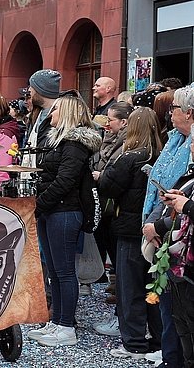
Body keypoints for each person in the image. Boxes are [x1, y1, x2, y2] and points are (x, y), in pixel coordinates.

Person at [28, 94, 101, 347]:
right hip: (52, 210)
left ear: (67, 112)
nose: (51, 114)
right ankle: (57, 321)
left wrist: (38, 205)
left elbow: (65, 181)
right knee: (56, 273)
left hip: (64, 211)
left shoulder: (73, 144)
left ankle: (66, 326)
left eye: (56, 109)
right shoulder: (60, 142)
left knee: (64, 272)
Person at [97, 107, 163, 360]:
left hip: (129, 229)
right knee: (154, 287)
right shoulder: (162, 154)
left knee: (130, 288)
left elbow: (107, 185)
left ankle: (134, 342)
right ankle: (157, 339)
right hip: (154, 229)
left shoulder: (131, 157)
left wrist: (104, 173)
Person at [143, 84, 194, 368]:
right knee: (170, 307)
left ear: (189, 113)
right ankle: (169, 356)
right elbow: (164, 189)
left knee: (181, 311)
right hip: (165, 233)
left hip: (179, 240)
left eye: (174, 108)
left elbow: (185, 201)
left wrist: (159, 226)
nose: (169, 114)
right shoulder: (174, 140)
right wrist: (151, 224)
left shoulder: (188, 146)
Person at [91, 101, 133, 317]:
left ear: (124, 122)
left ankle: (121, 302)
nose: (107, 124)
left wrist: (103, 176)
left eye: (111, 120)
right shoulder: (111, 139)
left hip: (116, 205)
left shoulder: (127, 144)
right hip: (108, 203)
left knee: (117, 251)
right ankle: (116, 289)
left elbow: (114, 171)